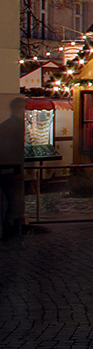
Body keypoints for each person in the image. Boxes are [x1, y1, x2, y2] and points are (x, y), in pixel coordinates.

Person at [0, 96, 25, 241]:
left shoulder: (4, 126)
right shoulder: (17, 127)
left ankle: (9, 227)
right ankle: (12, 230)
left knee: (8, 201)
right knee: (14, 201)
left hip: (7, 168)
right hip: (13, 169)